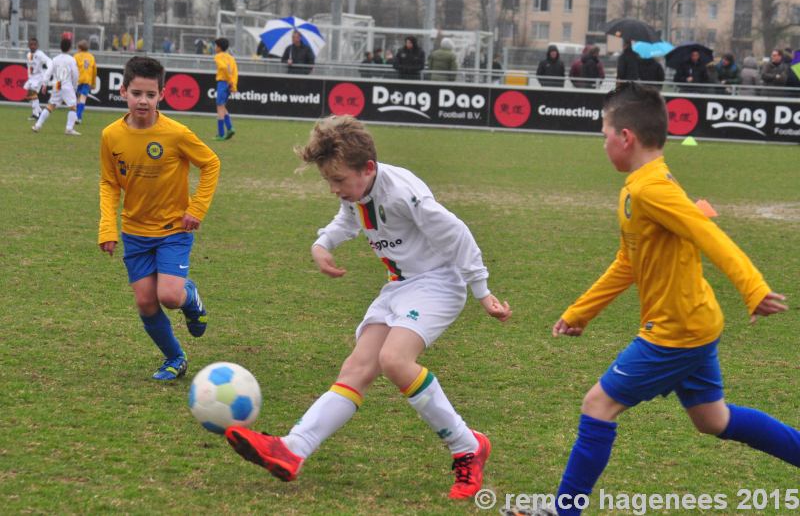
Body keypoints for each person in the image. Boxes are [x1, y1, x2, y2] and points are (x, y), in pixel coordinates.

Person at [535, 83, 797, 516]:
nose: (602, 143)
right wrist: (580, 312)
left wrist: (753, 288)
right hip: (697, 321)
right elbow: (628, 262)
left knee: (598, 404)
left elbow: (708, 234)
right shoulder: (643, 185)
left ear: (626, 138)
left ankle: (564, 511)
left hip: (676, 330)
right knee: (713, 419)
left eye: (604, 134)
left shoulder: (652, 190)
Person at [224, 115, 512, 498]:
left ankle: (468, 447)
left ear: (368, 168)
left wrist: (482, 290)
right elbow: (349, 217)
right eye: (329, 180)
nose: (334, 189)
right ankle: (293, 449)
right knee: (356, 369)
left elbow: (456, 233)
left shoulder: (404, 193)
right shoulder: (360, 191)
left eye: (338, 180)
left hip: (439, 284)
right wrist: (323, 244)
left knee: (395, 361)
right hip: (400, 286)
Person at [98, 56, 221, 381]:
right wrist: (107, 227)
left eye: (150, 95)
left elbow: (210, 163)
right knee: (145, 302)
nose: (143, 101)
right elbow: (109, 183)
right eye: (136, 93)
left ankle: (189, 295)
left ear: (161, 95)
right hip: (135, 233)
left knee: (168, 296)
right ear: (123, 91)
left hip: (173, 230)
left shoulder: (176, 133)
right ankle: (174, 358)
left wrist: (196, 209)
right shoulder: (111, 136)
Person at [31, 38, 80, 136]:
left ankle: (37, 125)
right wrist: (75, 86)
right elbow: (75, 74)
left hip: (57, 85)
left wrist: (44, 84)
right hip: (67, 85)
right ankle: (69, 129)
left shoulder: (55, 59)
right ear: (69, 48)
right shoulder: (71, 59)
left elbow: (48, 72)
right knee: (73, 107)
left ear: (60, 47)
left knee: (50, 106)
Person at [213, 38, 238, 141]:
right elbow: (235, 72)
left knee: (219, 107)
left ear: (219, 47)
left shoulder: (218, 57)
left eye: (216, 46)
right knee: (222, 106)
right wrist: (233, 85)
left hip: (223, 82)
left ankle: (221, 134)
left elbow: (223, 68)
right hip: (229, 84)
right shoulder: (231, 58)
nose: (215, 48)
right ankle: (230, 128)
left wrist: (229, 80)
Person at [23, 37, 53, 121]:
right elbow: (30, 67)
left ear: (37, 45)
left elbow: (49, 61)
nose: (33, 46)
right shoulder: (28, 54)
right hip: (32, 78)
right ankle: (38, 111)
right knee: (29, 96)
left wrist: (49, 69)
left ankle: (36, 114)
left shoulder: (40, 54)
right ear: (28, 45)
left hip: (39, 77)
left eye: (34, 45)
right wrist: (29, 76)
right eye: (31, 44)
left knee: (32, 94)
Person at [73, 40, 97, 125]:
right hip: (87, 80)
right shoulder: (91, 57)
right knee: (83, 98)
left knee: (78, 98)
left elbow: (73, 69)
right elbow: (94, 71)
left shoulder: (76, 56)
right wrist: (93, 83)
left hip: (78, 80)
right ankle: (78, 117)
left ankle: (77, 117)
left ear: (79, 48)